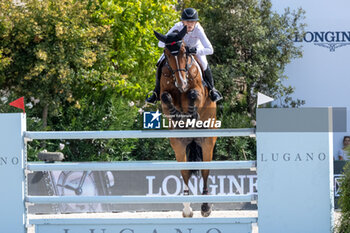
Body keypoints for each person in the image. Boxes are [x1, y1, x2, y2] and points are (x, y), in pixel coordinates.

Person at [146, 7, 222, 104]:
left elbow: (210, 50)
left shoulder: (198, 30)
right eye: (187, 21)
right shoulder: (177, 27)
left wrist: (195, 50)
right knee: (160, 62)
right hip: (178, 51)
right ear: (182, 21)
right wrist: (172, 43)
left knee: (204, 63)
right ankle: (156, 93)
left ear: (196, 22)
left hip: (195, 49)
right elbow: (160, 44)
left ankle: (212, 90)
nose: (190, 24)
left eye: (192, 22)